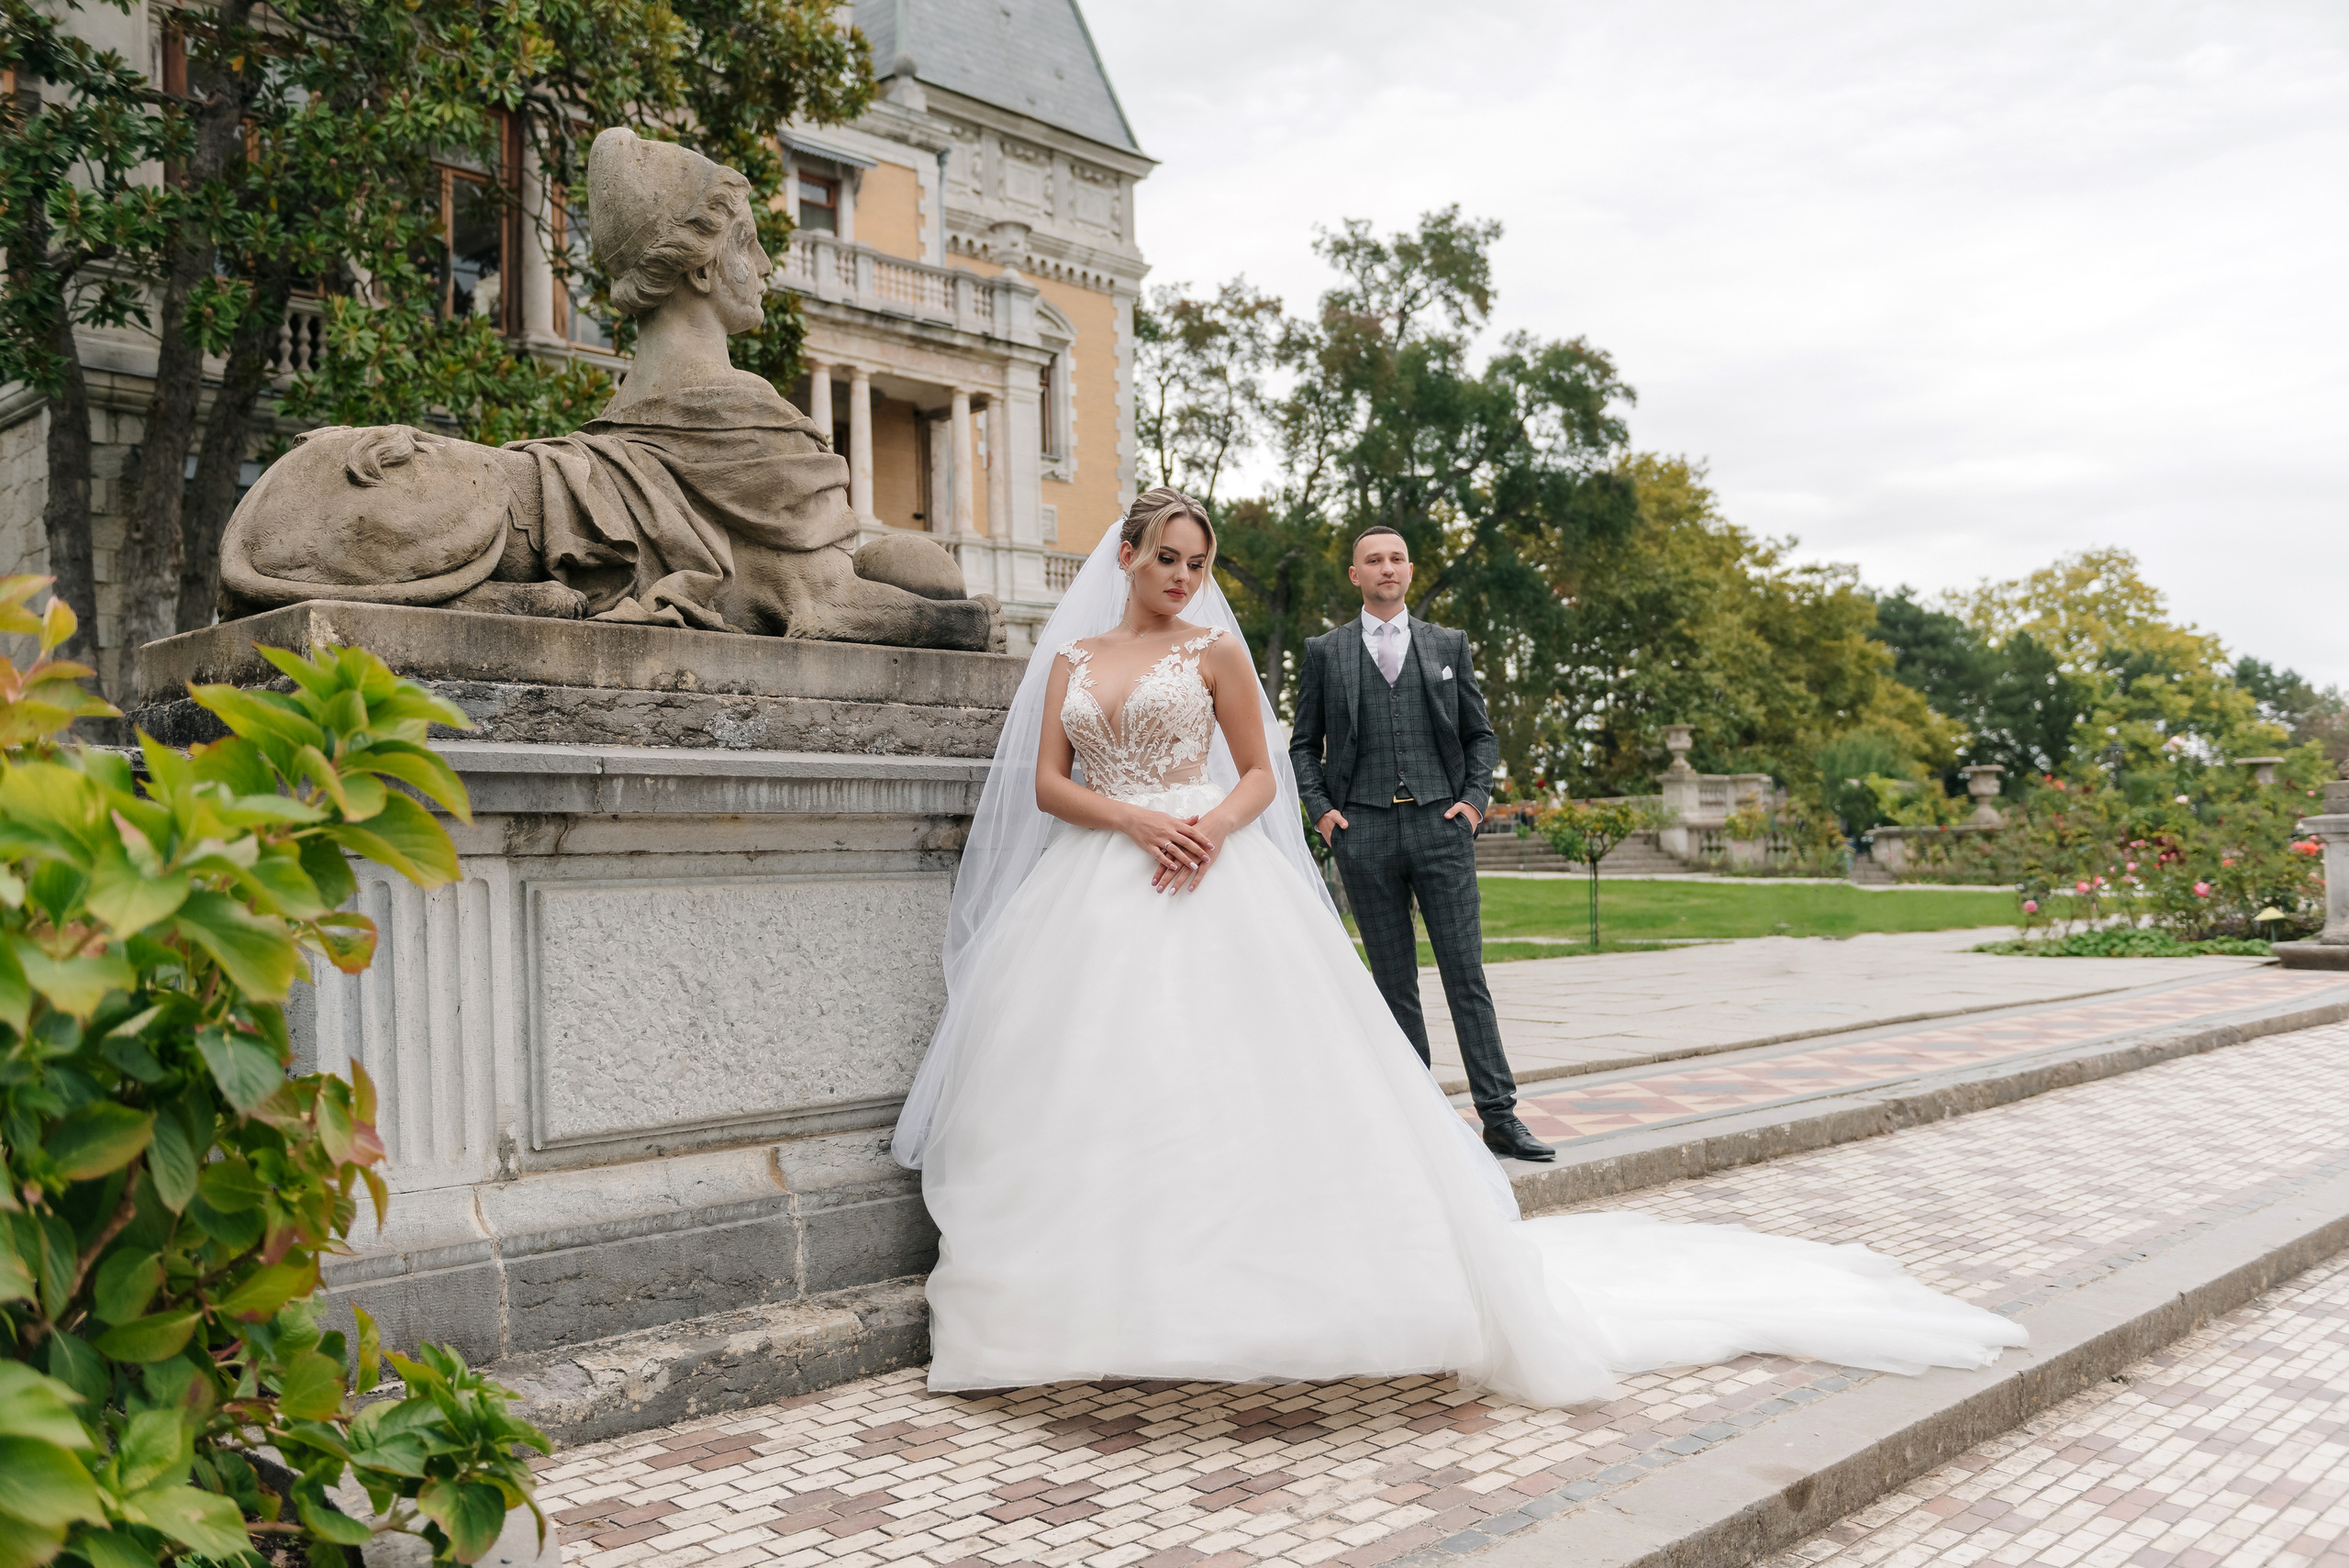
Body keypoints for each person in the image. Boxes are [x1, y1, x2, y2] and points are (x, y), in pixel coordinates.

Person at [890, 488, 2025, 1406]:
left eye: (1198, 562)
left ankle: (1284, 1267)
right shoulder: (1072, 660)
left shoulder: (1215, 652)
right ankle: (1094, 1293)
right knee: (1103, 1079)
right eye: (1167, 559)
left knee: (1252, 1068)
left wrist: (1207, 829)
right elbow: (1048, 784)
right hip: (1100, 876)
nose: (1184, 576)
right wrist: (1137, 820)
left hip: (1210, 868)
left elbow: (1262, 774)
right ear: (1125, 555)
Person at [1289, 525, 1551, 1162]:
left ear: (1409, 570)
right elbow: (1302, 745)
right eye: (1374, 560)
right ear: (1355, 575)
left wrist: (1474, 802)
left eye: (1397, 558)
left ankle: (1499, 1115)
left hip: (1441, 825)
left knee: (1466, 974)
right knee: (1393, 983)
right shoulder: (1325, 651)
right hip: (1364, 832)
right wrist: (1323, 814)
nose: (1387, 568)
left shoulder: (1447, 643)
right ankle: (1420, 1119)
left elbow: (1480, 734)